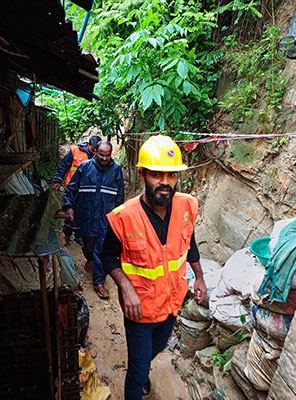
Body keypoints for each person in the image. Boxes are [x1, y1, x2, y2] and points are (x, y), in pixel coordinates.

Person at [100, 135, 207, 399]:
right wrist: (125, 286)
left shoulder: (185, 207)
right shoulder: (124, 217)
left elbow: (189, 243)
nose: (165, 183)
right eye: (157, 175)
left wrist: (200, 277)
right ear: (142, 174)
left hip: (171, 304)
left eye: (171, 176)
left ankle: (142, 364)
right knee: (137, 371)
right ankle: (137, 382)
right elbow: (108, 256)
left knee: (154, 351)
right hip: (140, 311)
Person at [63, 141, 124, 299]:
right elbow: (71, 188)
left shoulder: (116, 170)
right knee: (87, 245)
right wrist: (69, 206)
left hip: (106, 218)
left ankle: (99, 282)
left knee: (100, 249)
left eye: (107, 155)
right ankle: (90, 260)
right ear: (95, 152)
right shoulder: (85, 167)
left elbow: (119, 196)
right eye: (101, 154)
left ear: (112, 155)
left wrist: (117, 216)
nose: (104, 158)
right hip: (86, 215)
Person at [52, 135, 101, 243]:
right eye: (92, 150)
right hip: (72, 188)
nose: (94, 153)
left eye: (96, 151)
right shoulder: (74, 151)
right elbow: (63, 165)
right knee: (70, 212)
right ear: (88, 145)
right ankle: (67, 235)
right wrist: (57, 180)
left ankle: (80, 236)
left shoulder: (99, 156)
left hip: (88, 191)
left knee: (84, 213)